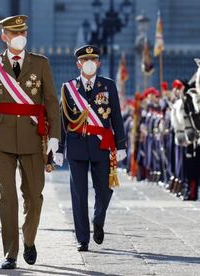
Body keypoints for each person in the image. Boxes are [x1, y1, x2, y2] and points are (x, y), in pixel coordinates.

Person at [0, 15, 60, 269]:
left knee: (34, 196)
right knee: (8, 197)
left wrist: (55, 136)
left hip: (33, 138)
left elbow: (51, 101)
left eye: (22, 32)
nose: (19, 36)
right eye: (13, 33)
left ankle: (29, 239)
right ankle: (10, 252)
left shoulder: (40, 63)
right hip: (2, 139)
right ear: (4, 37)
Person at [54, 45, 127, 252]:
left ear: (98, 63)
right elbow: (62, 120)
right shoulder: (68, 88)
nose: (89, 63)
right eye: (84, 60)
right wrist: (59, 148)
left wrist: (121, 145)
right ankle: (82, 238)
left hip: (102, 145)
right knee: (78, 193)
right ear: (78, 64)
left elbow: (116, 118)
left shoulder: (108, 86)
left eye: (93, 60)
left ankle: (98, 219)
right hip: (77, 145)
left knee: (104, 189)